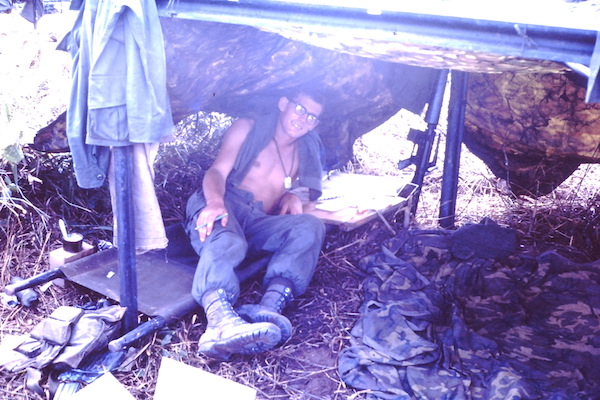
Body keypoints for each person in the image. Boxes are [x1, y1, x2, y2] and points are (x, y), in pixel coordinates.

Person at [184, 87, 328, 360]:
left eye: (312, 117)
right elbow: (216, 171)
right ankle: (219, 323)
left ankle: (268, 307)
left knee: (310, 225)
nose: (303, 120)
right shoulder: (247, 128)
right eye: (300, 109)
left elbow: (303, 196)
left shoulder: (305, 148)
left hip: (260, 218)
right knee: (228, 241)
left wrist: (291, 196)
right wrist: (215, 202)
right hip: (226, 201)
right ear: (284, 103)